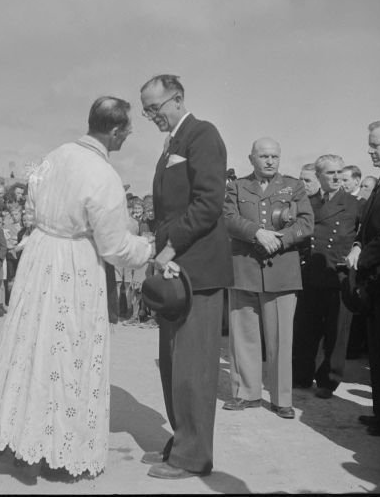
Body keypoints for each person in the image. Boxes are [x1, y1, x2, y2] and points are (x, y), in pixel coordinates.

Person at [0, 96, 153, 478]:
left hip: (40, 256)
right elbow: (115, 246)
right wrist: (149, 249)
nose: (127, 137)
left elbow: (31, 204)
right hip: (75, 264)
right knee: (69, 351)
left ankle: (20, 439)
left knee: (33, 346)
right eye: (126, 130)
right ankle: (60, 449)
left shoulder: (53, 156)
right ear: (113, 130)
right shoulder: (102, 175)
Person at [139, 74, 233, 479]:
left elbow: (209, 202)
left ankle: (194, 457)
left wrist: (170, 247)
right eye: (145, 111)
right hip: (174, 269)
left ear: (176, 99)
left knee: (193, 366)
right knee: (174, 363)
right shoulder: (171, 145)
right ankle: (183, 439)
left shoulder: (202, 134)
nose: (150, 116)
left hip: (197, 270)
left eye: (154, 108)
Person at [223, 137, 313, 420]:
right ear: (251, 158)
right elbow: (226, 218)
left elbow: (306, 222)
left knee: (280, 339)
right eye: (263, 156)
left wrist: (281, 239)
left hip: (282, 272)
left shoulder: (294, 186)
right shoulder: (236, 187)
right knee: (242, 336)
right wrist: (256, 233)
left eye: (274, 156)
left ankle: (281, 398)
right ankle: (245, 393)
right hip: (243, 269)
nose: (270, 161)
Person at [292, 155, 360, 398]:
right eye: (330, 173)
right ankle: (300, 375)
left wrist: (357, 248)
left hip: (337, 275)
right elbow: (298, 233)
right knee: (305, 328)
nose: (336, 177)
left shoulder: (354, 204)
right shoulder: (307, 202)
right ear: (319, 176)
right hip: (311, 274)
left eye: (339, 172)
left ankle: (328, 380)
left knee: (336, 332)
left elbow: (366, 233)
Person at [345, 119, 380, 437]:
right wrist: (359, 242)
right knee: (379, 350)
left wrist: (362, 258)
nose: (370, 149)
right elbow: (371, 226)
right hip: (377, 279)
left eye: (376, 144)